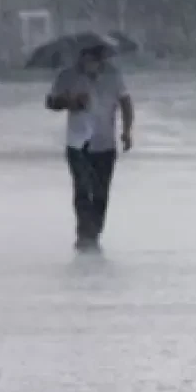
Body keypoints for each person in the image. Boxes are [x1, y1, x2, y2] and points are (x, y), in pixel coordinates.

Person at [45, 43, 134, 252]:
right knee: (83, 188)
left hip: (105, 142)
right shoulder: (67, 76)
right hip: (77, 143)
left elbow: (126, 103)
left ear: (100, 59)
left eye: (94, 58)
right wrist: (69, 102)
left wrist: (127, 131)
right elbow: (50, 102)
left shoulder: (114, 76)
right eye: (85, 57)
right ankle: (84, 233)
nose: (89, 62)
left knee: (101, 191)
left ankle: (95, 232)